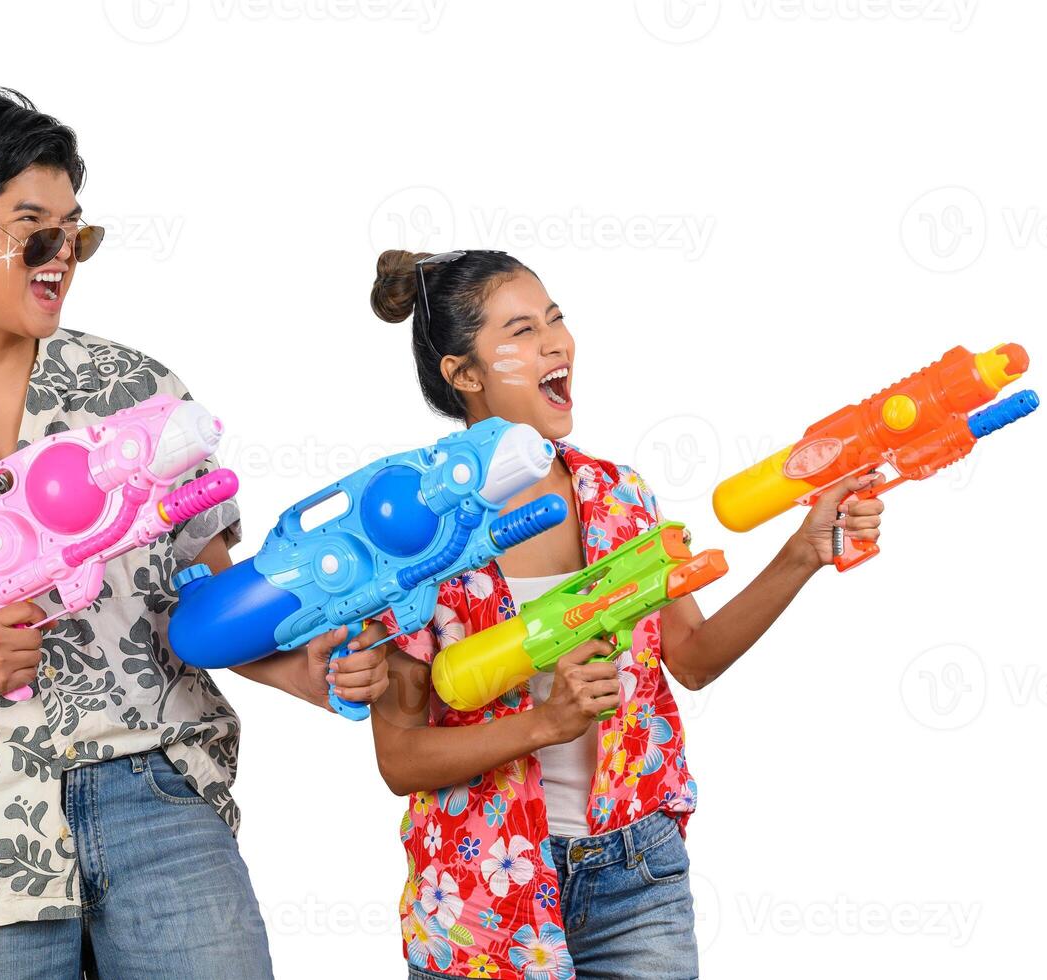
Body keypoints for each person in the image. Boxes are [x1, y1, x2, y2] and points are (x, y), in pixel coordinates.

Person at [0, 86, 388, 979]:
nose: (63, 256)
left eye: (76, 233)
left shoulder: (140, 394)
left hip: (163, 800)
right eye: (35, 231)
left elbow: (209, 605)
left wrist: (314, 667)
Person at [366, 249, 886, 980]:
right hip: (481, 888)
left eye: (554, 320)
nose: (554, 343)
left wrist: (802, 552)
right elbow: (401, 759)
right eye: (519, 331)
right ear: (465, 374)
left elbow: (694, 657)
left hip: (636, 873)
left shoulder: (616, 494)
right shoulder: (407, 527)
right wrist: (544, 726)